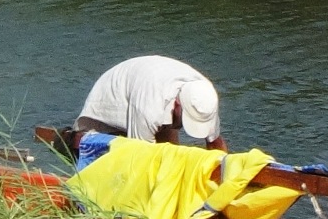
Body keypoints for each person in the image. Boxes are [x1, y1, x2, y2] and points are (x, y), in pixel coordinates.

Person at [74, 56, 224, 162]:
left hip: (156, 87)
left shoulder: (205, 98)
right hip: (110, 99)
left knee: (170, 156)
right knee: (113, 160)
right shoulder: (150, 109)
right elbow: (142, 160)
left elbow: (216, 146)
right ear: (178, 105)